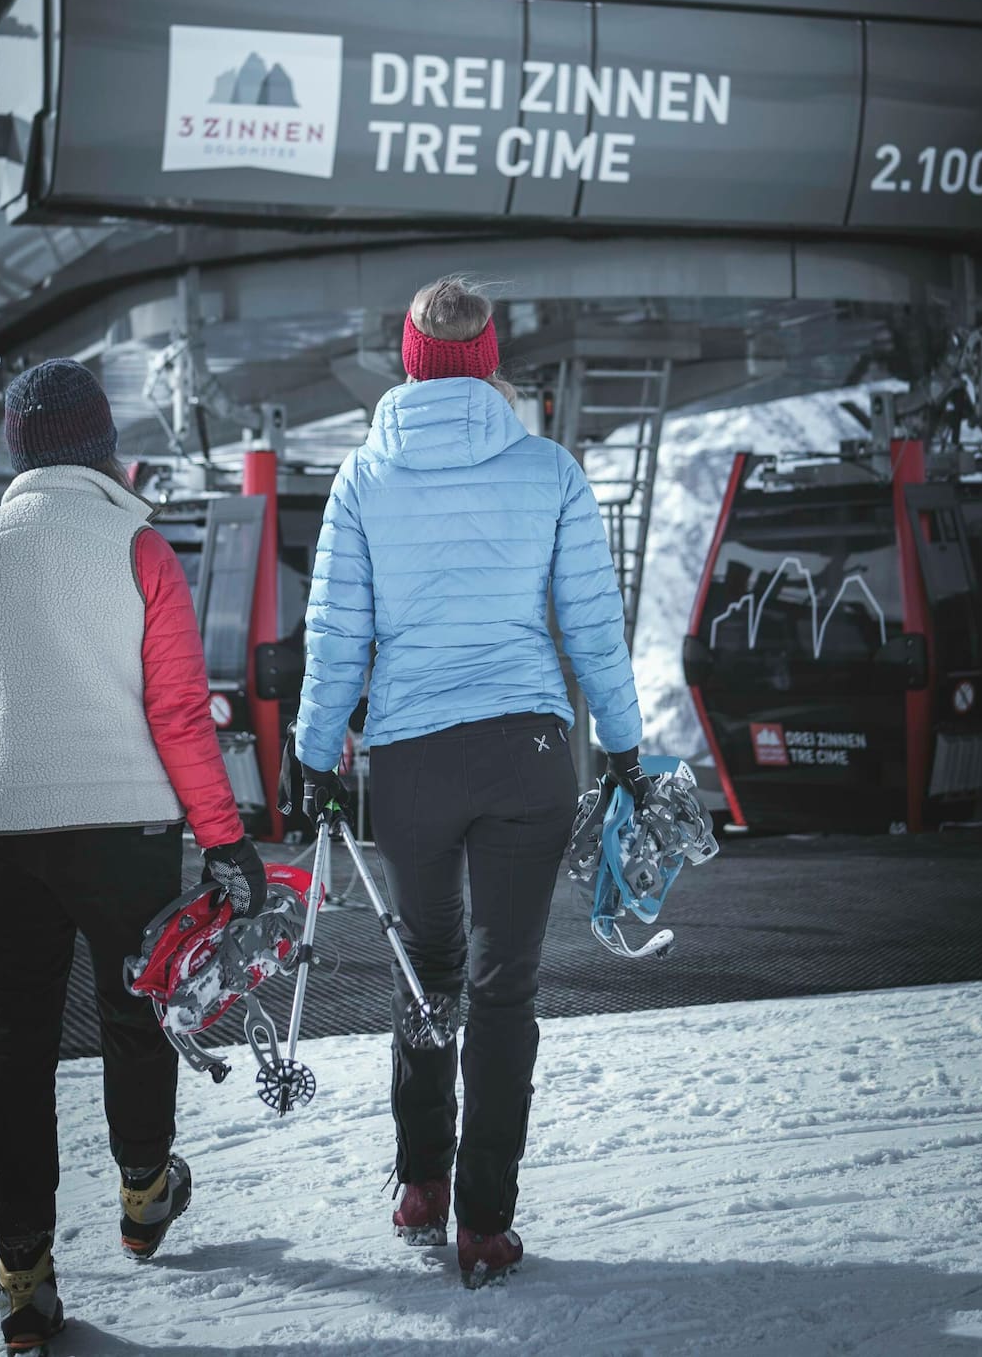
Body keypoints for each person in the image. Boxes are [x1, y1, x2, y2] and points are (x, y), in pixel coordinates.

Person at [0, 359, 266, 1353]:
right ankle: (146, 1194)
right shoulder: (137, 541)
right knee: (134, 1012)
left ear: (19, 452)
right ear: (102, 443)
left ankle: (23, 1277)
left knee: (14, 1045)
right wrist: (227, 839)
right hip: (123, 823)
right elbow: (179, 713)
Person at [288, 278, 643, 1286]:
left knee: (428, 971)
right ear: (489, 361)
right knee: (503, 985)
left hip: (410, 762)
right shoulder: (551, 472)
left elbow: (338, 641)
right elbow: (592, 626)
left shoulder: (363, 477)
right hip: (528, 752)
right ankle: (486, 1223)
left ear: (410, 358)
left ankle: (420, 1184)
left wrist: (314, 758)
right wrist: (622, 746)